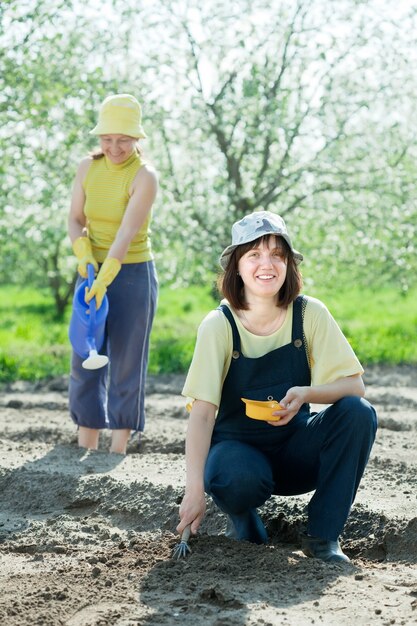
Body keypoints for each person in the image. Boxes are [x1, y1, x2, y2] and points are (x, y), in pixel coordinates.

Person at [176, 210, 377, 563]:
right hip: (238, 458)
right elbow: (203, 414)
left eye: (276, 254)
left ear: (288, 265)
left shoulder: (309, 314)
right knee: (235, 477)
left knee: (358, 413)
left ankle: (323, 537)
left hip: (294, 452)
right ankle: (242, 518)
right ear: (237, 267)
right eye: (253, 254)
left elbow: (354, 385)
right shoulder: (219, 325)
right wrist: (194, 491)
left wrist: (307, 394)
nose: (266, 264)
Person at [68, 93, 158, 454]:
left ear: (136, 139)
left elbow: (126, 233)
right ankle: (83, 446)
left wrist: (107, 276)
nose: (114, 147)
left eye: (123, 139)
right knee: (84, 354)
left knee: (125, 359)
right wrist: (84, 255)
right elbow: (76, 219)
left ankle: (117, 449)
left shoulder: (144, 176)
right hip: (90, 272)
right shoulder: (87, 168)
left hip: (132, 274)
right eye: (107, 139)